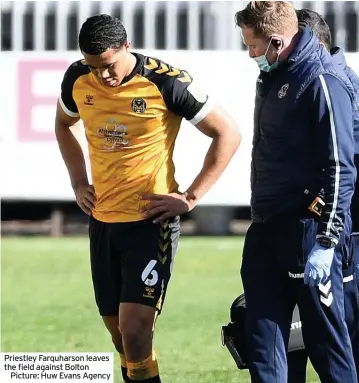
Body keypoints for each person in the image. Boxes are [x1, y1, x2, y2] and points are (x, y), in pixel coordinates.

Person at [55, 14, 241, 383]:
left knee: (136, 331)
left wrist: (189, 197)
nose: (102, 76)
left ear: (126, 46)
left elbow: (227, 133)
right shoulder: (77, 78)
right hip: (103, 223)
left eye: (107, 66)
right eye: (94, 68)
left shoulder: (165, 81)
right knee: (122, 339)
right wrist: (78, 181)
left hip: (149, 224)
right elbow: (64, 124)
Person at [234, 2, 358, 382]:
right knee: (260, 341)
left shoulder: (321, 80)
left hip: (307, 231)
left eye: (252, 46)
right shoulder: (273, 78)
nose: (250, 55)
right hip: (266, 226)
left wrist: (327, 238)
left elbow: (340, 165)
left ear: (275, 41)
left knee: (326, 344)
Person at [285, 9, 359, 383]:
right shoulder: (305, 84)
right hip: (318, 229)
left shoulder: (351, 88)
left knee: (357, 338)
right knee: (313, 337)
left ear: (314, 44)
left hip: (351, 232)